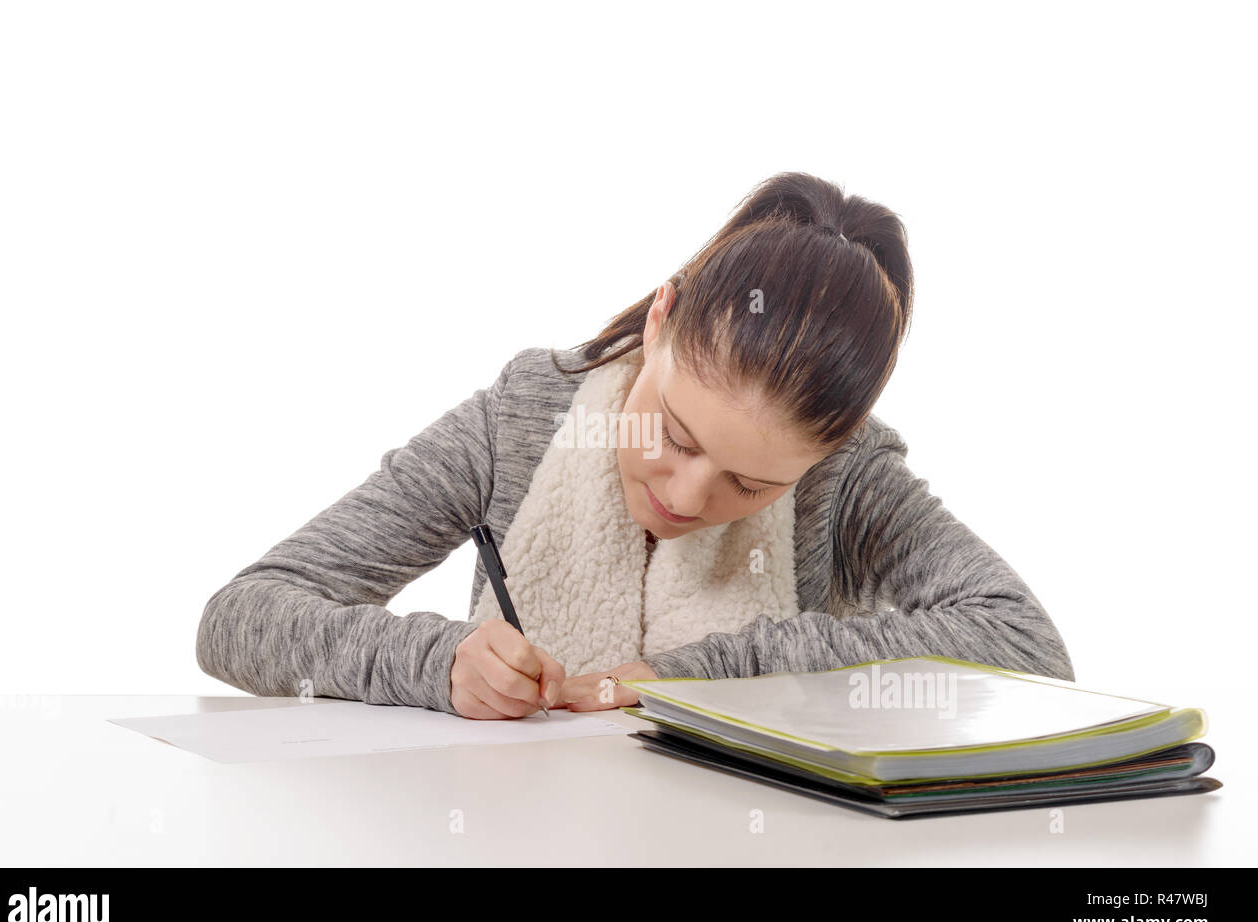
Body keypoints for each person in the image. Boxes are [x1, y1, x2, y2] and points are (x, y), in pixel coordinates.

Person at [196, 171, 1075, 720]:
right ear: (661, 320)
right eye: (676, 434)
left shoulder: (844, 480)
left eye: (751, 484)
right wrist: (438, 664)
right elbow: (241, 616)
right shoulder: (526, 419)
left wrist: (698, 677)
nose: (689, 497)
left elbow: (1027, 648)